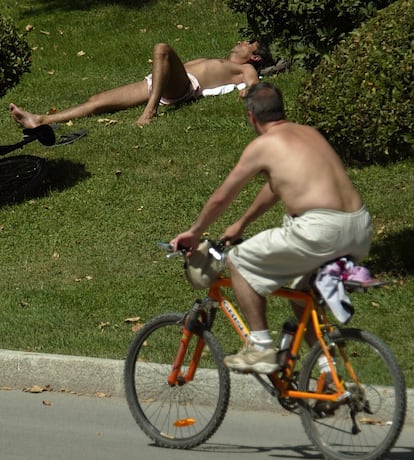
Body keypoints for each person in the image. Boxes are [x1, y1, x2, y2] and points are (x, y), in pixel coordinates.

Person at [171, 82, 372, 375]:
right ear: (281, 110)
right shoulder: (309, 134)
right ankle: (328, 375)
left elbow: (221, 197)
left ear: (252, 117)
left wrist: (195, 231)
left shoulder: (263, 145)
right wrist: (241, 223)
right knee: (302, 295)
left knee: (238, 260)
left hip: (319, 229)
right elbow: (276, 186)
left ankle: (261, 347)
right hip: (359, 227)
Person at [9, 41, 273, 129]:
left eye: (248, 42)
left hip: (182, 87)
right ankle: (40, 120)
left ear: (255, 56)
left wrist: (246, 90)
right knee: (96, 99)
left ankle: (150, 110)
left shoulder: (245, 68)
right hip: (157, 83)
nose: (241, 41)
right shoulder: (220, 59)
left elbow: (252, 86)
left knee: (161, 49)